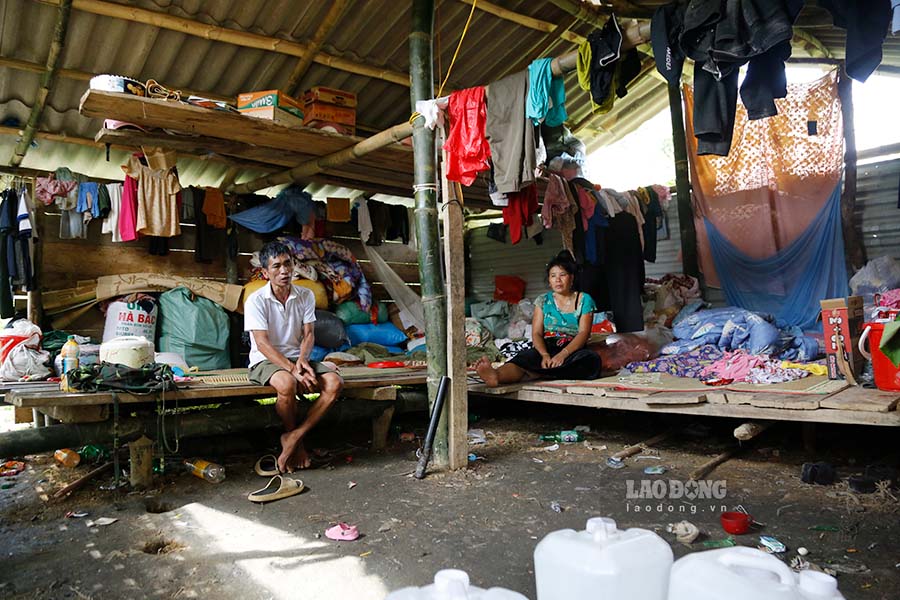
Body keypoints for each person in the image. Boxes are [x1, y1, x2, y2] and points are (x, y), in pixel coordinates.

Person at [244, 241, 344, 472]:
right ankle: (297, 446)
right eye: (276, 266)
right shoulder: (256, 300)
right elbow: (262, 343)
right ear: (265, 272)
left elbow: (309, 334)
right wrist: (292, 369)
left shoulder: (305, 295)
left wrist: (301, 360)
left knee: (334, 382)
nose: (284, 271)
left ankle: (293, 437)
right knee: (287, 383)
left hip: (296, 358)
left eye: (288, 264)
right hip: (264, 360)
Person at [475, 250, 602, 387]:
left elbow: (583, 333)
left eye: (562, 275)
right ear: (549, 280)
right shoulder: (542, 301)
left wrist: (563, 355)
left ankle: (538, 373)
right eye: (553, 276)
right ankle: (496, 375)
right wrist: (544, 355)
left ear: (571, 278)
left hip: (572, 349)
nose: (557, 280)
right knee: (523, 358)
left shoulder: (584, 300)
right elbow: (536, 333)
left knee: (591, 360)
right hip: (547, 346)